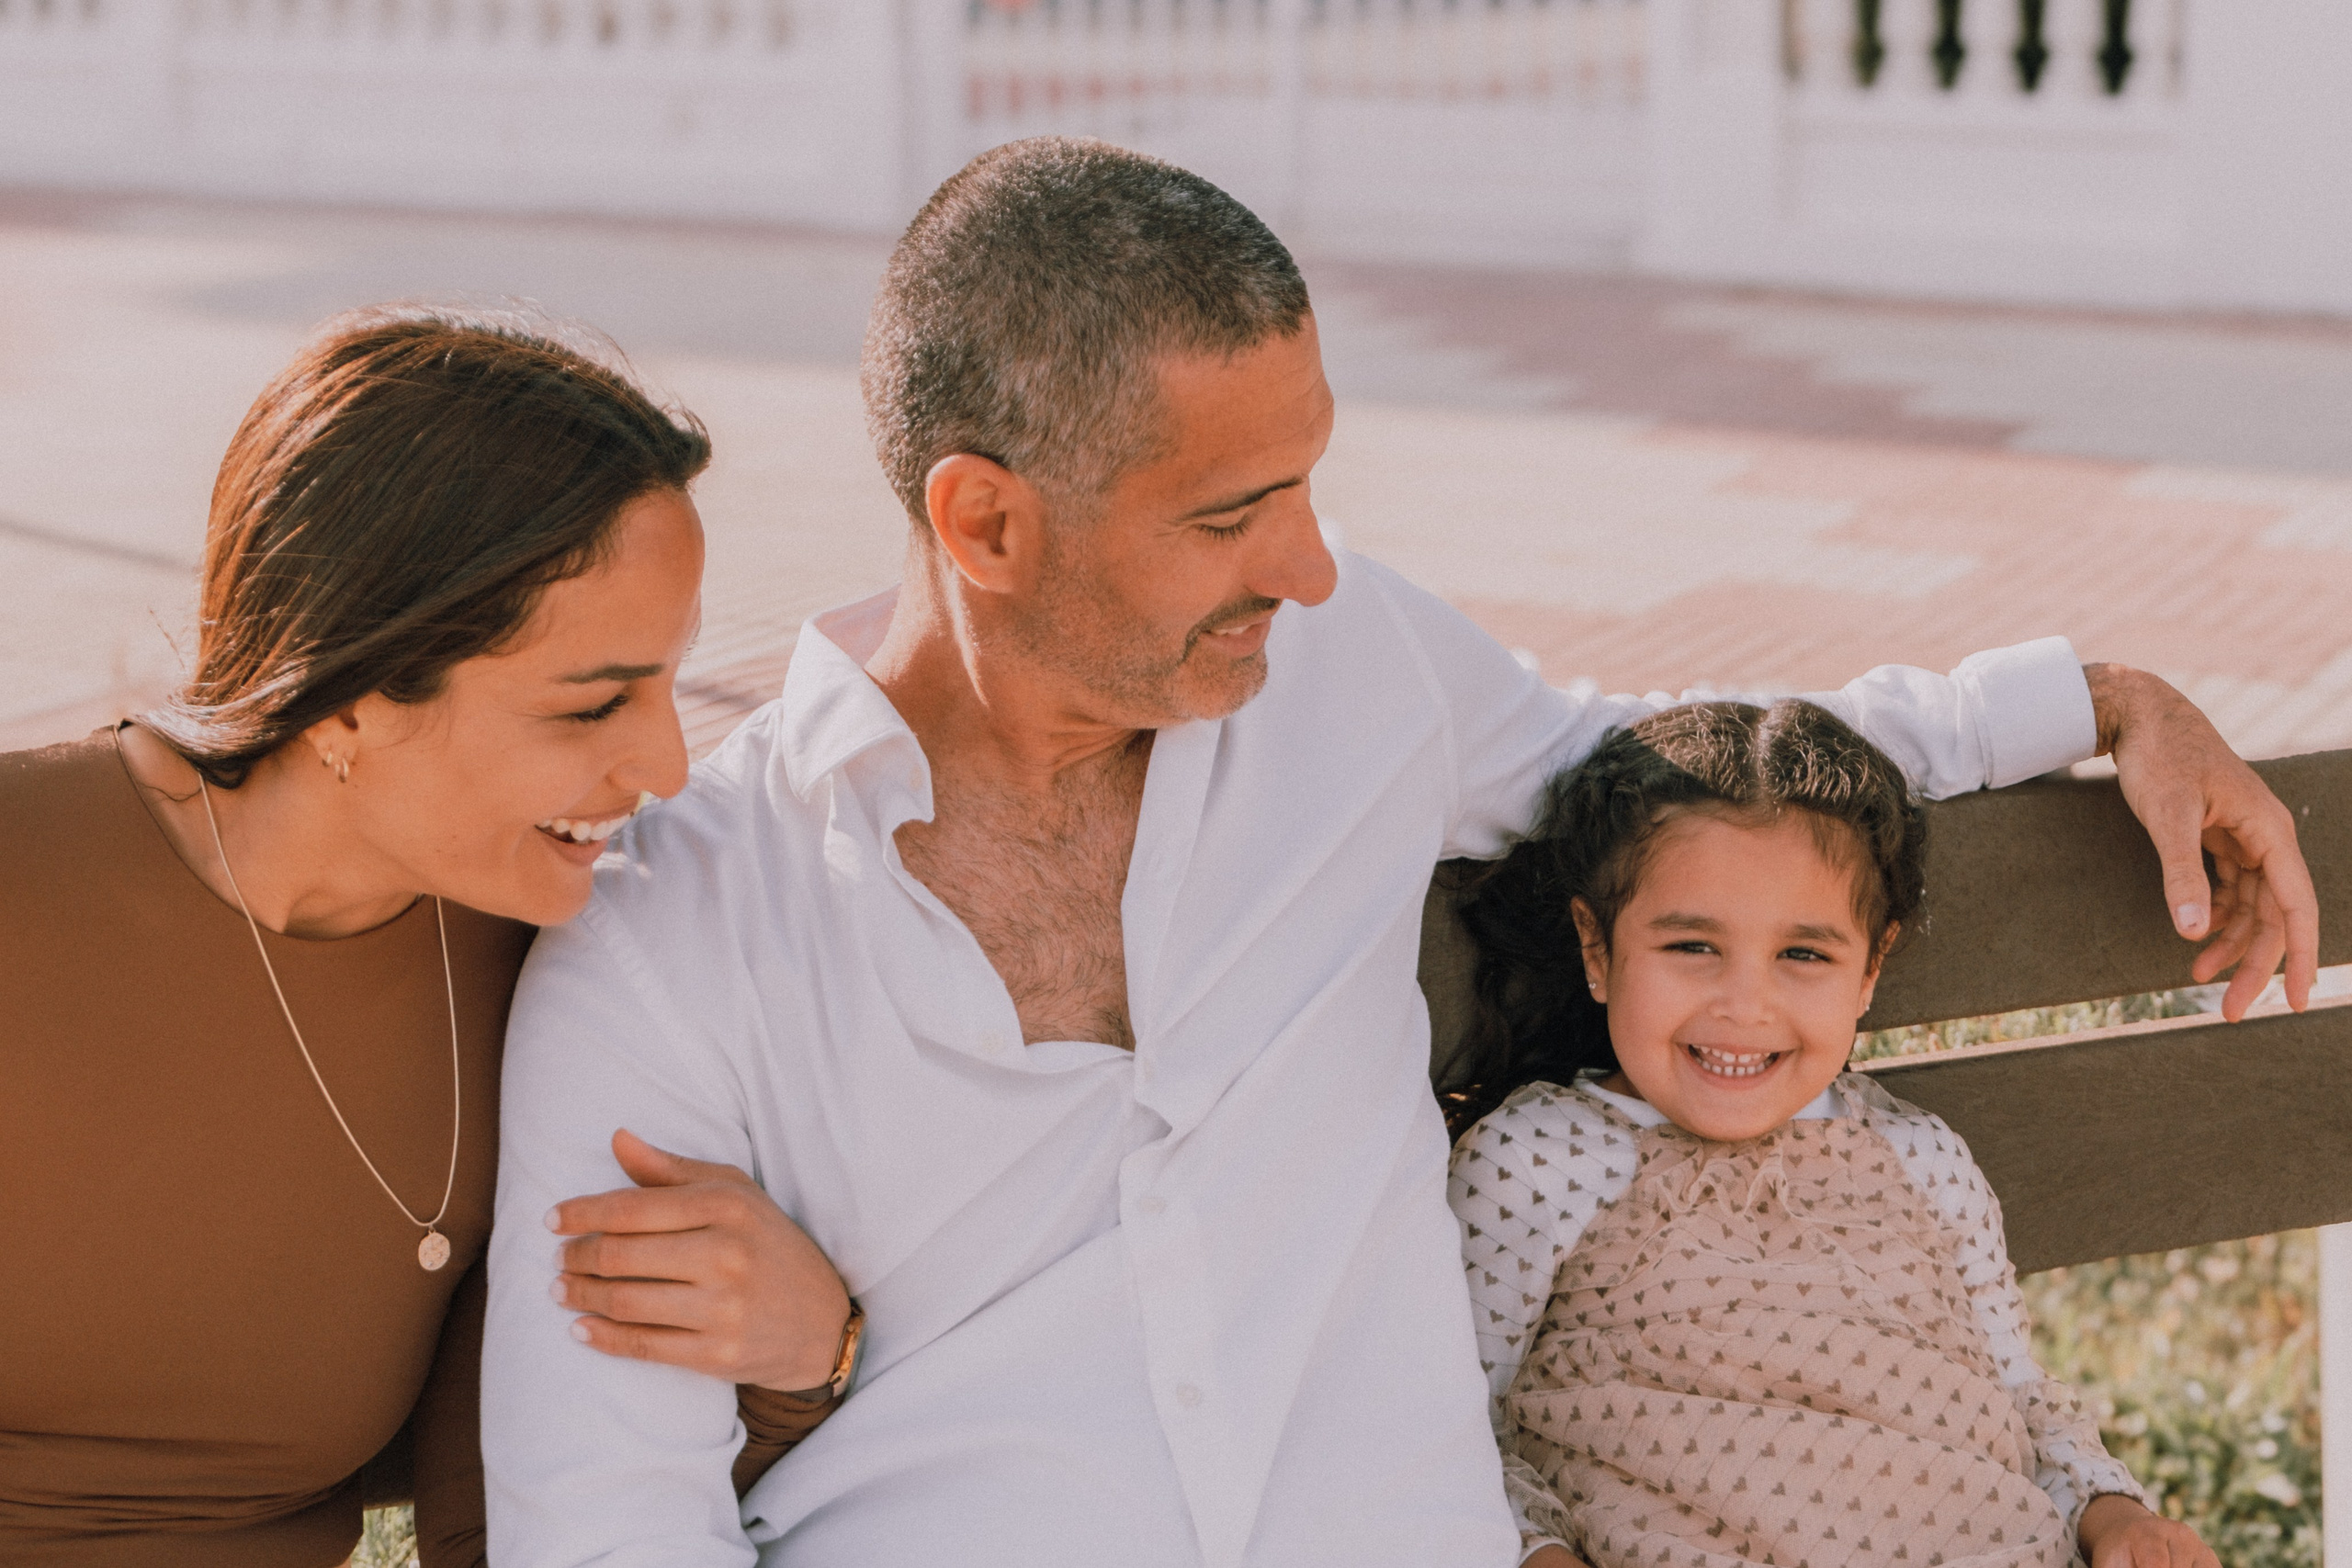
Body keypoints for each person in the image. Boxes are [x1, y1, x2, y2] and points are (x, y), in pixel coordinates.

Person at [480, 137, 2314, 1567]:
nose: (1305, 562)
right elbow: (607, 1520)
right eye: (1229, 512)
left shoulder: (1348, 673)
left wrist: (2089, 692)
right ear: (982, 521)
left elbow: (1663, 763)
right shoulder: (674, 939)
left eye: (1308, 480)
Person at [0, 305, 854, 1568]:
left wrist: (805, 1351)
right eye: (596, 702)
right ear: (350, 698)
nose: (669, 764)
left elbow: (506, 1512)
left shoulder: (551, 970)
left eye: (670, 682)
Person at [1447, 699, 2220, 1568]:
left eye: (1804, 955)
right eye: (1693, 945)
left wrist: (2112, 1513)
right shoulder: (1537, 1163)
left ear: (1870, 968)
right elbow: (1448, 1433)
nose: (1745, 1006)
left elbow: (2018, 1397)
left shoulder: (1922, 1161)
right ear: (1598, 946)